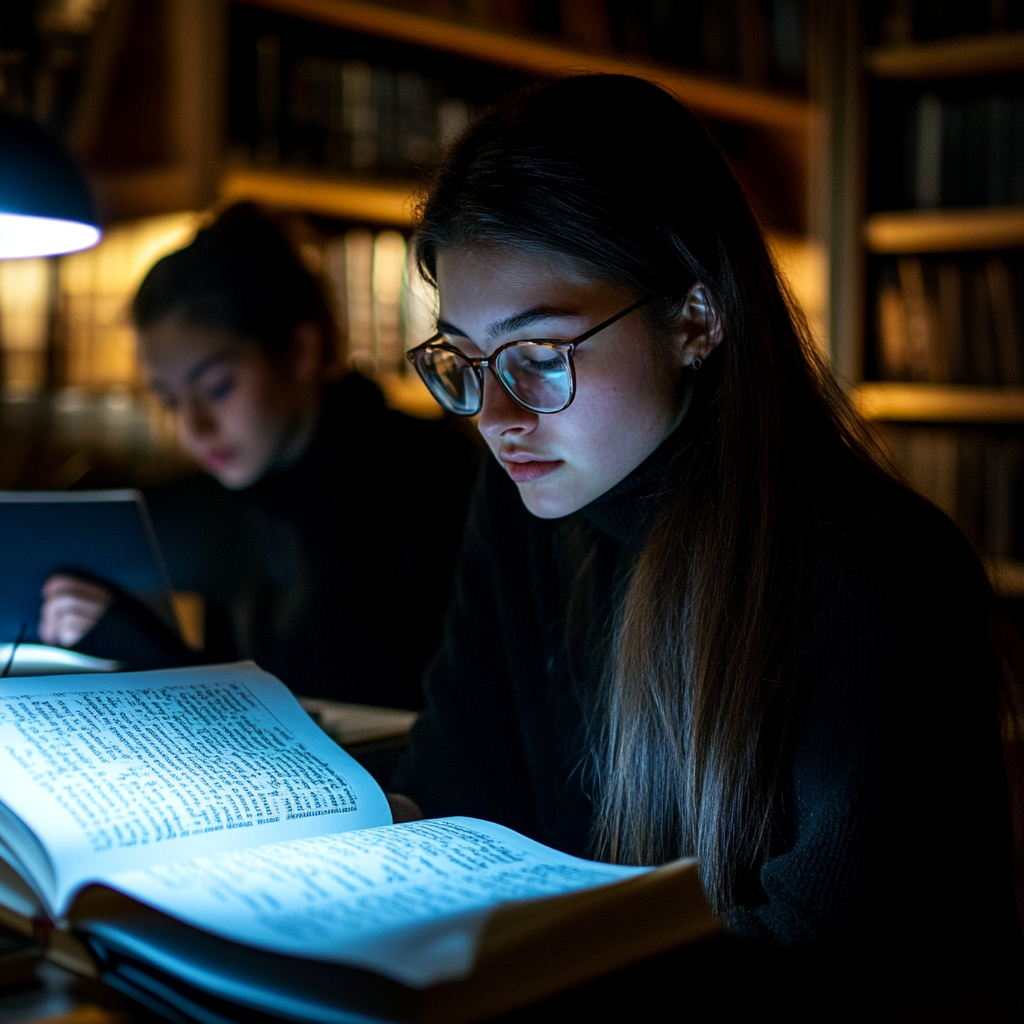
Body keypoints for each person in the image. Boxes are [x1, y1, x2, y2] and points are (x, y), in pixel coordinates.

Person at [386, 74, 1022, 973]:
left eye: (538, 353)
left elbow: (841, 957)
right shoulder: (518, 513)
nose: (494, 416)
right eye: (462, 358)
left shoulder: (875, 570)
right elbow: (451, 790)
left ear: (695, 318)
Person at [40, 203, 479, 708]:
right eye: (169, 402)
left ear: (300, 351)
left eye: (218, 387)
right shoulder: (241, 494)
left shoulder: (429, 485)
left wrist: (149, 654)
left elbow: (351, 706)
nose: (193, 429)